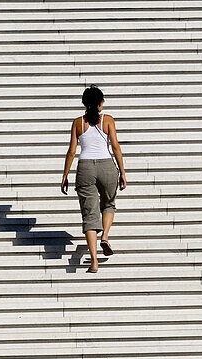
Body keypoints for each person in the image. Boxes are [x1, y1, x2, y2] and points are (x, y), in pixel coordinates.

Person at [60, 85, 127, 273]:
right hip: (107, 165)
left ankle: (94, 262)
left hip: (85, 168)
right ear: (100, 103)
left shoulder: (77, 123)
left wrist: (64, 175)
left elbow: (72, 151)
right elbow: (115, 147)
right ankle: (105, 236)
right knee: (108, 204)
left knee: (89, 215)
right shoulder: (107, 120)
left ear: (84, 103)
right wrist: (122, 171)